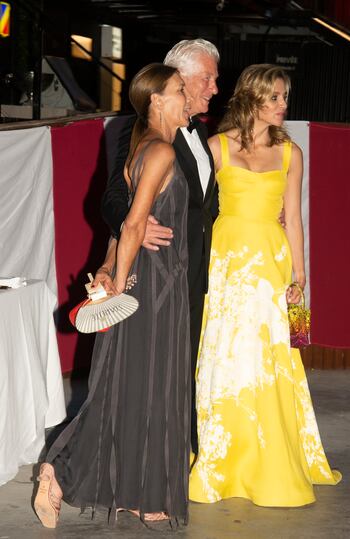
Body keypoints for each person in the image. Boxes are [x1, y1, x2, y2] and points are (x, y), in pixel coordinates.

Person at [34, 63, 192, 528]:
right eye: (180, 90)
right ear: (157, 101)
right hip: (155, 289)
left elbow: (122, 227)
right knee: (138, 385)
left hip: (149, 282)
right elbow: (133, 223)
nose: (187, 98)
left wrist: (107, 267)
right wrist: (118, 285)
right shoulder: (161, 150)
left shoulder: (141, 150)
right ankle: (58, 470)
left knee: (135, 386)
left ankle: (139, 492)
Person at [189, 64, 341, 507]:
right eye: (274, 96)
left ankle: (272, 458)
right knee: (225, 355)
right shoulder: (215, 147)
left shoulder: (291, 152)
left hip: (271, 265)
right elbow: (193, 208)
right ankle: (222, 461)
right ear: (251, 98)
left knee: (273, 358)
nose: (282, 105)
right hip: (225, 262)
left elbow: (293, 217)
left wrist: (300, 277)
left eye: (285, 97)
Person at [96, 39, 220, 456]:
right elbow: (113, 198)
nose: (214, 88)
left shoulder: (201, 133)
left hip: (191, 268)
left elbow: (203, 205)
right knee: (148, 369)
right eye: (207, 78)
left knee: (180, 365)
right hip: (156, 269)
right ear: (177, 82)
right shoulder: (137, 136)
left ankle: (177, 452)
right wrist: (133, 228)